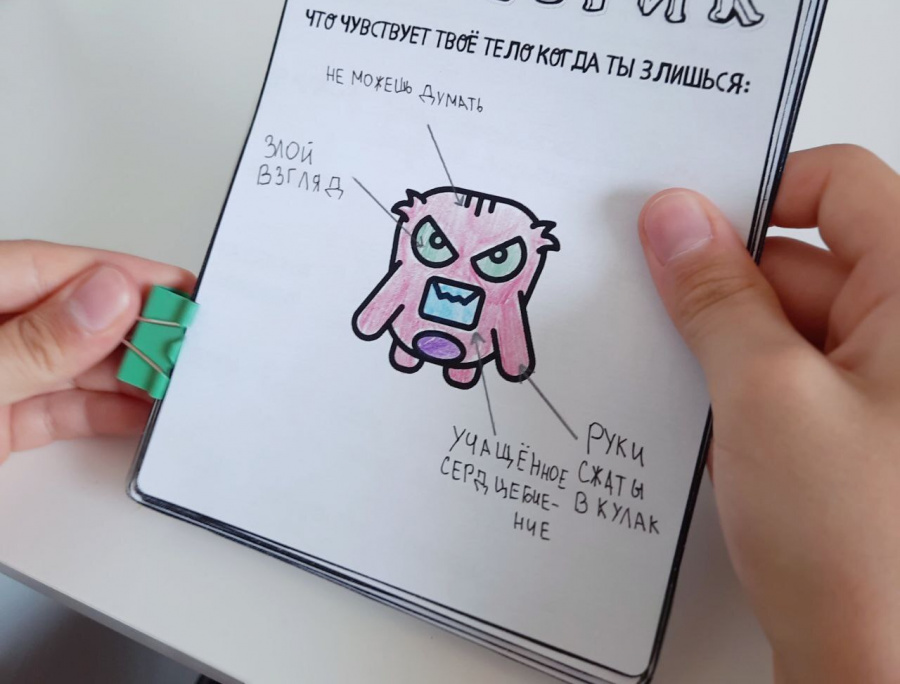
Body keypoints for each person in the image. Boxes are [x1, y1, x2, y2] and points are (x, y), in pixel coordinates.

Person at [1, 143, 897, 682]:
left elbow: (507, 339)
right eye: (437, 244)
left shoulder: (504, 293)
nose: (463, 267)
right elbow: (383, 308)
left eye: (494, 258)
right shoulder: (412, 269)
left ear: (526, 256)